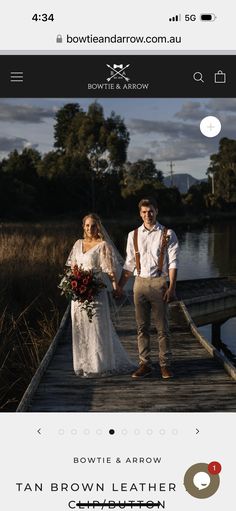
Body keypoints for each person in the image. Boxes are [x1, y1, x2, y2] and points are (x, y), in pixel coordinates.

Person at [66, 213, 135, 377]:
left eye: (94, 225)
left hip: (96, 292)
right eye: (88, 225)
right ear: (83, 227)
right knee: (81, 326)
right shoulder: (77, 244)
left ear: (99, 227)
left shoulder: (103, 245)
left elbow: (110, 270)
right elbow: (72, 268)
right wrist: (72, 285)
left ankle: (98, 365)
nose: (91, 229)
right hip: (79, 295)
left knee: (96, 327)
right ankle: (83, 363)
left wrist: (115, 286)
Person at [118, 198, 179, 379]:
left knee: (162, 328)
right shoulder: (133, 235)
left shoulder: (168, 233)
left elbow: (173, 263)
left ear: (156, 211)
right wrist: (120, 287)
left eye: (150, 211)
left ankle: (165, 365)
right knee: (141, 327)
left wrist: (172, 287)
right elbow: (129, 264)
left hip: (159, 282)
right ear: (140, 214)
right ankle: (145, 364)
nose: (148, 215)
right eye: (144, 212)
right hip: (139, 283)